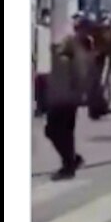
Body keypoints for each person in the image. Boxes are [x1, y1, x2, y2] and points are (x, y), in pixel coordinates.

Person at [43, 29, 91, 180]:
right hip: (63, 100)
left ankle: (69, 164)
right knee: (62, 133)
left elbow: (81, 79)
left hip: (65, 101)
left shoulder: (71, 59)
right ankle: (71, 160)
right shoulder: (63, 57)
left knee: (55, 131)